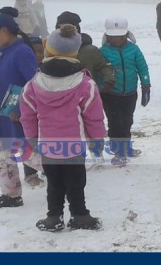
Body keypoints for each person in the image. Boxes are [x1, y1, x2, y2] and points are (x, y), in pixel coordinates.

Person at [20, 25, 106, 231]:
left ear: (49, 50)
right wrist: (97, 140)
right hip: (74, 146)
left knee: (54, 183)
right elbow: (93, 117)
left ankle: (54, 217)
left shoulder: (33, 84)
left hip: (48, 146)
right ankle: (80, 215)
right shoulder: (85, 84)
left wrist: (31, 139)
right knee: (76, 182)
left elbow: (28, 115)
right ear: (74, 53)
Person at [0, 12, 37, 210]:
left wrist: (20, 109)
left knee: (32, 156)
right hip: (3, 116)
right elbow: (12, 82)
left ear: (4, 30)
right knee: (2, 156)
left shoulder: (22, 52)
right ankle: (11, 195)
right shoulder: (6, 52)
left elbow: (33, 85)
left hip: (17, 116)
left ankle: (66, 182)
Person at [100, 17, 151, 167]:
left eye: (120, 36)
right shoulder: (102, 51)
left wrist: (146, 85)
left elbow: (143, 68)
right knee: (115, 123)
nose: (117, 40)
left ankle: (126, 147)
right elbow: (98, 73)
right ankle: (118, 152)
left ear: (126, 35)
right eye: (113, 37)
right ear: (108, 36)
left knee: (127, 121)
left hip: (130, 93)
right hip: (111, 94)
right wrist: (100, 89)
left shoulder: (134, 49)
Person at [55, 11, 116, 93]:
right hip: (58, 96)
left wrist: (109, 80)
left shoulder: (90, 51)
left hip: (85, 95)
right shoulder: (51, 51)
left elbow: (104, 65)